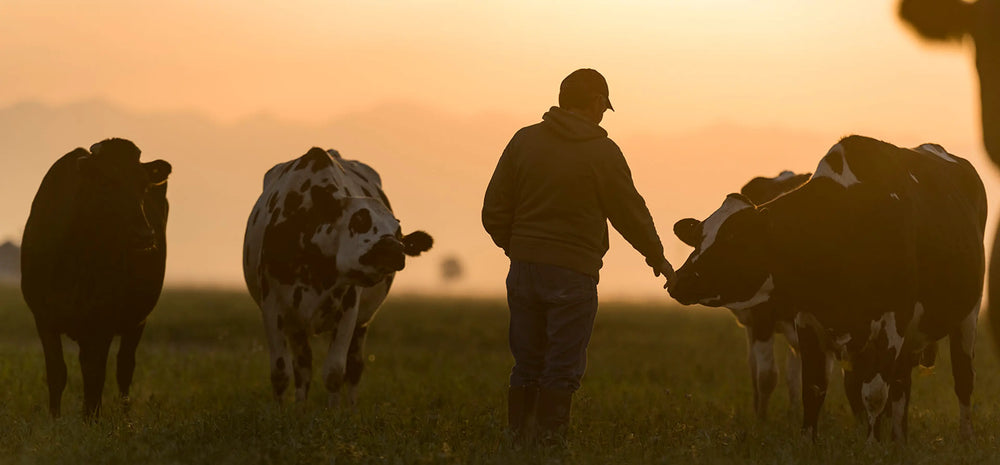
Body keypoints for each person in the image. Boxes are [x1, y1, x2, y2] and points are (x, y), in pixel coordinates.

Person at [482, 68, 675, 445]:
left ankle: (518, 443)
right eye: (604, 104)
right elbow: (630, 213)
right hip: (574, 274)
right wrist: (659, 259)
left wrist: (520, 246)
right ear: (597, 102)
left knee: (526, 364)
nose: (604, 112)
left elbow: (493, 210)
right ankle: (549, 447)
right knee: (561, 367)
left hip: (523, 269)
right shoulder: (602, 152)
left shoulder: (523, 141)